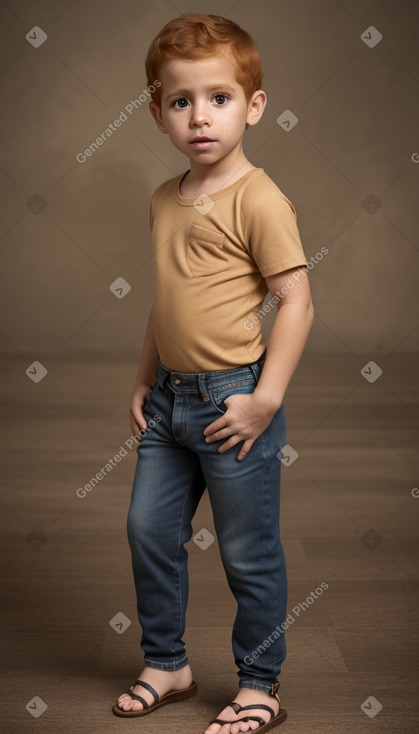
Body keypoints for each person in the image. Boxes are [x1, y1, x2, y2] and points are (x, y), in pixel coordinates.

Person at [112, 13, 314, 734]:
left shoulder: (258, 198)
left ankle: (259, 683)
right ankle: (166, 662)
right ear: (156, 111)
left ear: (253, 106)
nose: (200, 116)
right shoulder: (166, 198)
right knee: (146, 529)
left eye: (219, 98)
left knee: (245, 550)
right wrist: (143, 379)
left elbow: (295, 301)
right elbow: (165, 303)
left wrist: (264, 400)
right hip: (170, 404)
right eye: (180, 101)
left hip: (235, 403)